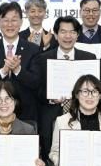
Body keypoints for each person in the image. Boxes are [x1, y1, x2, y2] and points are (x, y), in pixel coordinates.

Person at [35, 16, 96, 156]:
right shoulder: (43, 58)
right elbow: (36, 89)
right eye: (63, 32)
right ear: (56, 35)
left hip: (84, 114)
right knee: (50, 153)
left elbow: (96, 89)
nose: (68, 36)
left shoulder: (89, 58)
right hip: (51, 114)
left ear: (77, 35)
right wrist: (50, 98)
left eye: (72, 32)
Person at [0, 1, 40, 122]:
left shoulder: (33, 49)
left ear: (21, 22)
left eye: (14, 20)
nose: (10, 24)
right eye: (5, 20)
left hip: (25, 116)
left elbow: (36, 83)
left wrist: (18, 70)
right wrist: (3, 71)